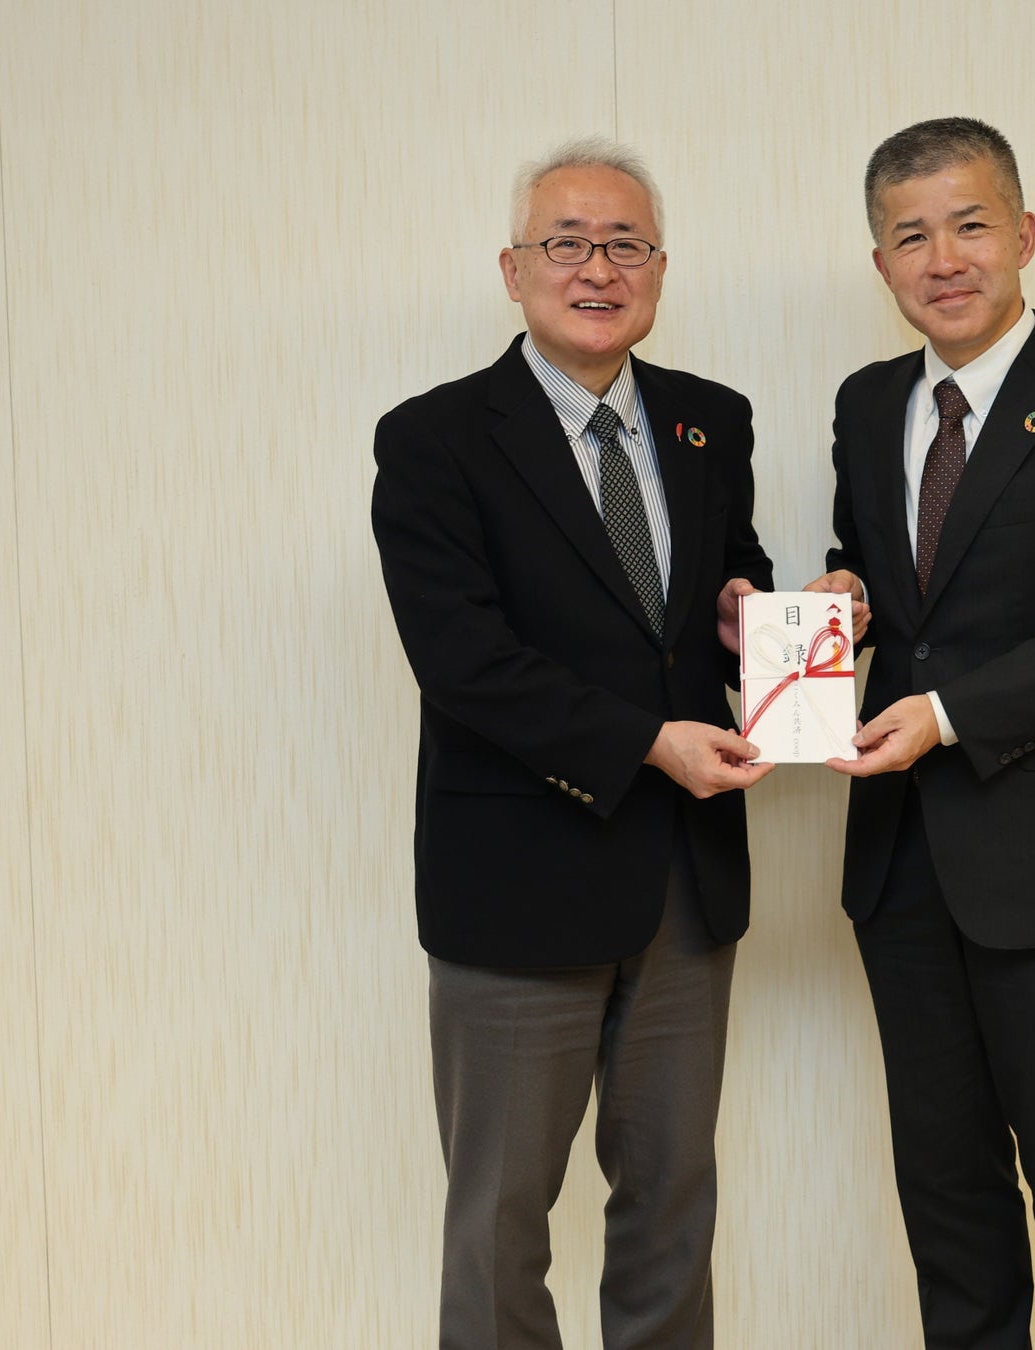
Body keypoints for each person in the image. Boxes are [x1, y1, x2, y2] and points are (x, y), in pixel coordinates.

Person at [371, 137, 774, 1350]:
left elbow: (719, 583)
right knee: (500, 1223)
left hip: (684, 884)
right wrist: (648, 742)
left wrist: (752, 615)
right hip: (518, 884)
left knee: (671, 1209)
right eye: (566, 243)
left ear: (660, 269)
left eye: (625, 245)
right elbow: (463, 661)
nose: (597, 269)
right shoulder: (435, 439)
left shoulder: (709, 422)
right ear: (513, 269)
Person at [807, 117, 1035, 1349]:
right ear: (879, 263)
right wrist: (845, 597)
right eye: (910, 235)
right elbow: (887, 575)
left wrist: (945, 716)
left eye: (968, 225)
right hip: (901, 865)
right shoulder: (868, 403)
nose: (943, 259)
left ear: (1022, 234)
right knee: (946, 1191)